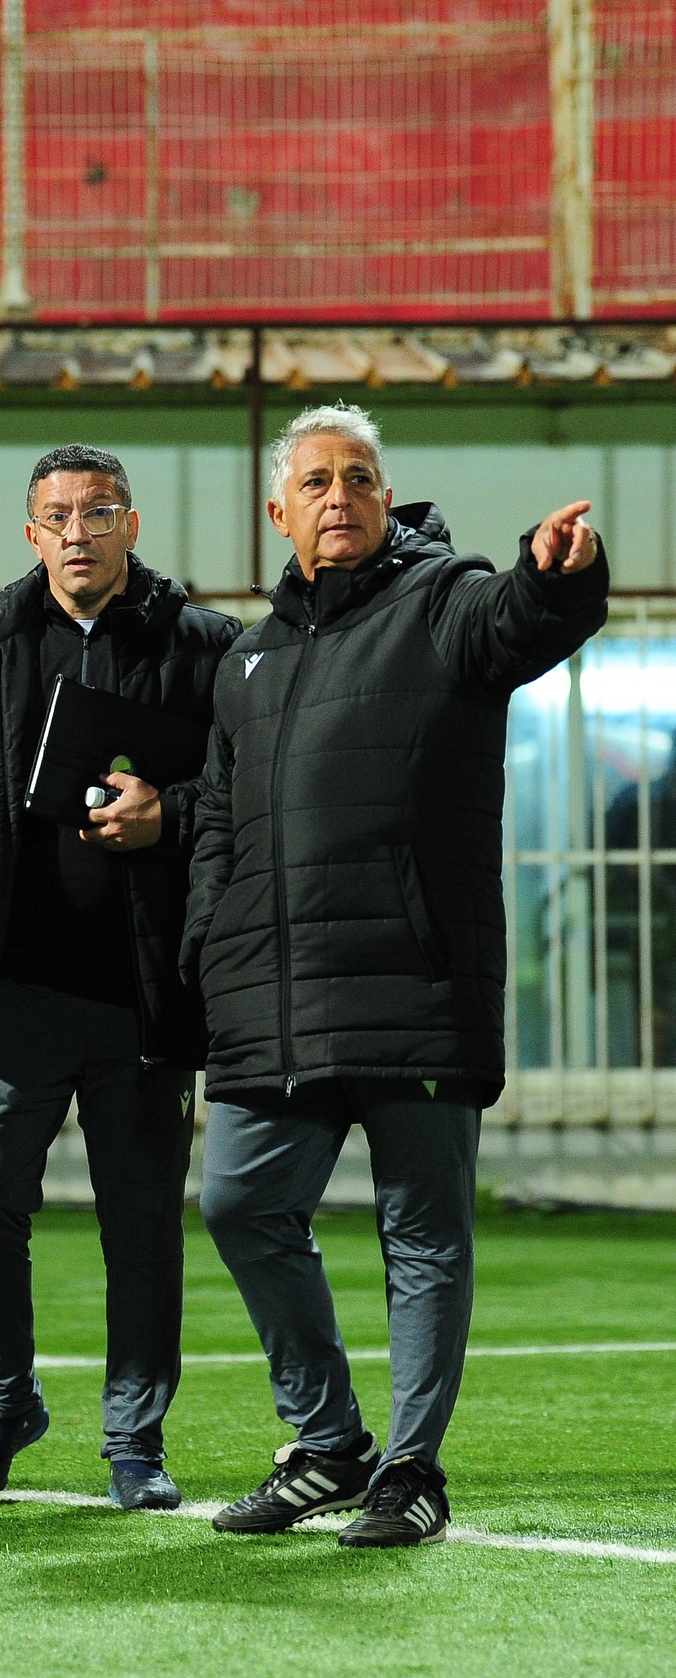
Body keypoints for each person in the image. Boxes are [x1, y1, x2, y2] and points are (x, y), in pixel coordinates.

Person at [182, 403, 608, 1548]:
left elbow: (522, 621)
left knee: (422, 1233)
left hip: (415, 983)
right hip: (275, 997)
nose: (339, 497)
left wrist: (556, 575)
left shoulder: (446, 599)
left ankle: (411, 1470)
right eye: (316, 481)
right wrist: (209, 951)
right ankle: (326, 1442)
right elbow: (217, 824)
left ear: (386, 496)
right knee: (239, 1202)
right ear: (280, 512)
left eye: (359, 478)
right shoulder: (250, 657)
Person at [0, 443, 239, 1509]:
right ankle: (5, 1400)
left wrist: (167, 813)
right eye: (57, 516)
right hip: (10, 988)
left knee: (141, 1227)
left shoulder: (204, 646)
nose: (77, 532)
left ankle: (136, 1436)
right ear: (29, 533)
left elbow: (250, 791)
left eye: (98, 511)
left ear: (134, 522)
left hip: (145, 993)